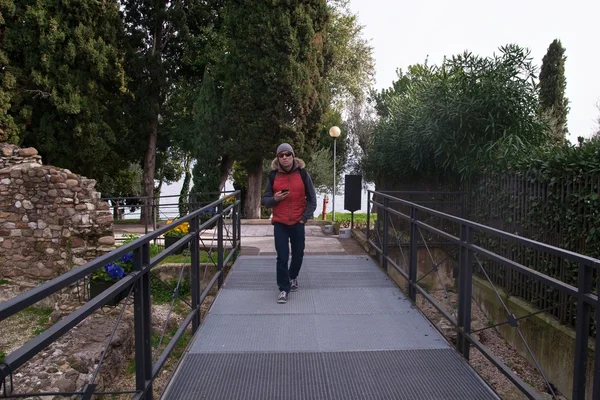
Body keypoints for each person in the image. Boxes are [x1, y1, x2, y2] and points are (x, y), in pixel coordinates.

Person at [261, 143, 317, 303]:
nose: (284, 157)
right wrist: (274, 199)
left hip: (298, 222)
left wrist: (304, 218)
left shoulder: (303, 174)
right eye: (281, 155)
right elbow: (265, 200)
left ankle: (293, 277)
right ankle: (284, 289)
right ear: (277, 158)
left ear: (293, 156)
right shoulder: (273, 176)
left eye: (287, 154)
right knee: (282, 256)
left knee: (298, 254)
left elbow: (312, 200)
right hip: (280, 223)